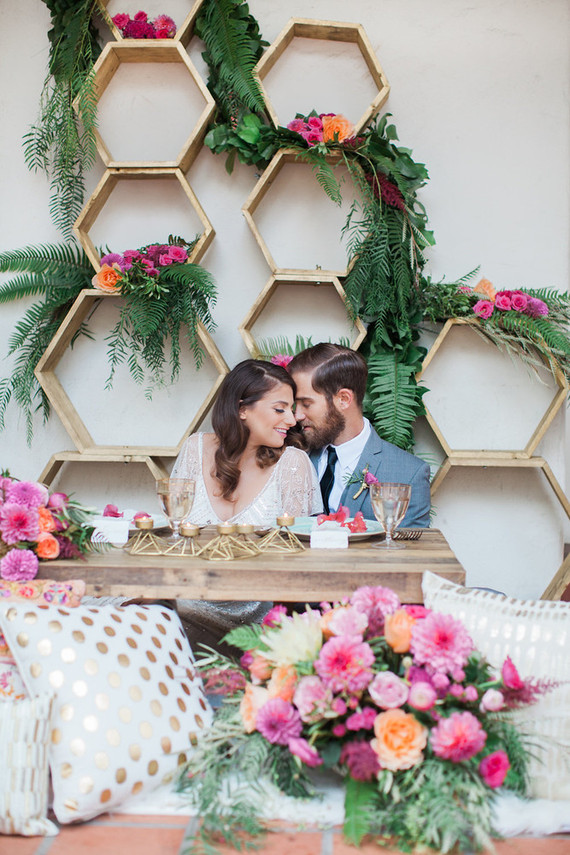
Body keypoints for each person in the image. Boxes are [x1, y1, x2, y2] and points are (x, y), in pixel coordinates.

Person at [171, 358, 322, 650]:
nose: (292, 421)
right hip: (188, 594)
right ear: (241, 409)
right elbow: (175, 533)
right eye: (280, 409)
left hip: (254, 614)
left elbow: (299, 554)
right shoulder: (194, 449)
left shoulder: (293, 463)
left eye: (290, 410)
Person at [288, 343, 431, 528]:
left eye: (306, 404)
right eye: (295, 405)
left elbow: (409, 553)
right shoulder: (291, 456)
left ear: (344, 399)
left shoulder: (409, 474)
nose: (297, 416)